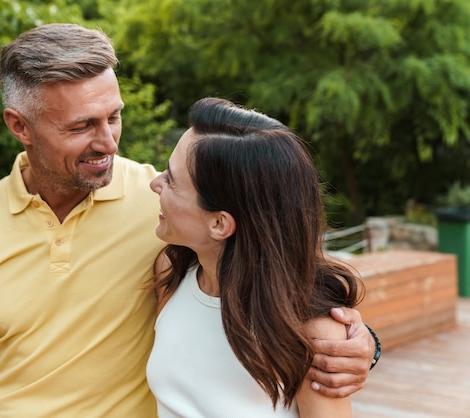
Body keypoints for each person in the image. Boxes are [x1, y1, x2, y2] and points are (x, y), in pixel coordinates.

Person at [0, 24, 378, 418]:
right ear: (19, 126)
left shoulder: (167, 208)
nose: (108, 142)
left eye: (114, 117)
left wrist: (360, 344)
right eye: (81, 126)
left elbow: (283, 265)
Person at [146, 97, 366, 417]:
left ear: (219, 223)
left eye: (170, 180)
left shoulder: (312, 329)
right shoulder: (171, 272)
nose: (154, 184)